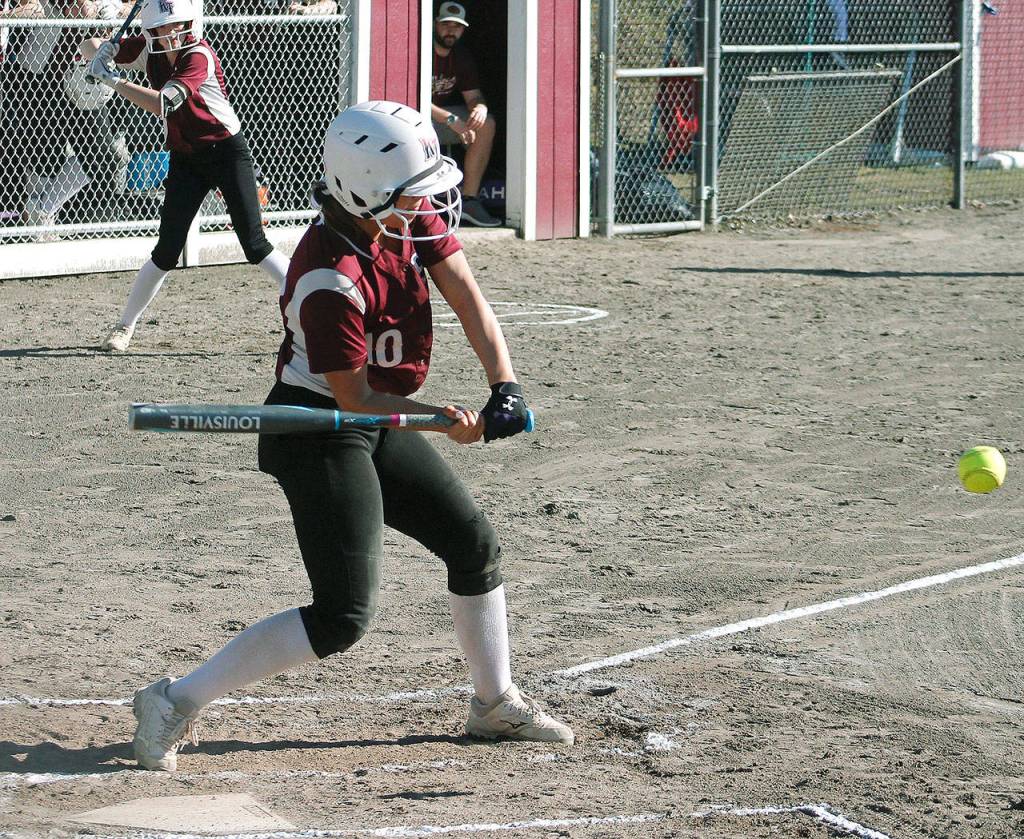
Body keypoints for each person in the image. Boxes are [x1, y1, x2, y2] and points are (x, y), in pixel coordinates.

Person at [128, 100, 573, 772]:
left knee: (472, 543)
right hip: (321, 429)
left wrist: (502, 386)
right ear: (365, 194)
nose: (425, 208)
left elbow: (464, 289)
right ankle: (173, 700)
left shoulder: (398, 215)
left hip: (374, 414)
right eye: (409, 196)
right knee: (344, 614)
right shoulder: (327, 279)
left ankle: (492, 701)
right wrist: (443, 421)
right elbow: (355, 395)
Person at [81, 0, 289, 352]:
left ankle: (318, 304)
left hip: (225, 151)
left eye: (178, 24)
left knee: (254, 244)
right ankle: (123, 327)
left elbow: (164, 103)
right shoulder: (150, 49)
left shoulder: (199, 55)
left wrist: (112, 80)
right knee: (166, 250)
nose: (172, 31)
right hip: (186, 158)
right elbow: (90, 45)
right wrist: (100, 52)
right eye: (164, 26)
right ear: (152, 29)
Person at [0, 0, 128, 238]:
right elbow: (69, 8)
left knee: (103, 156)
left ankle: (44, 209)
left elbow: (136, 8)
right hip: (41, 74)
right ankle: (39, 225)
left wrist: (115, 8)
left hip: (86, 79)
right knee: (45, 157)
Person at [430, 1, 500, 228]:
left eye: (457, 27)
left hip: (441, 120)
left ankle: (468, 199)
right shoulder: (422, 49)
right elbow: (414, 100)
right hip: (415, 119)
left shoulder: (461, 57)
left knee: (485, 124)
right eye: (446, 24)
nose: (451, 30)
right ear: (434, 24)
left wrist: (480, 108)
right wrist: (452, 120)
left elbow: (474, 97)